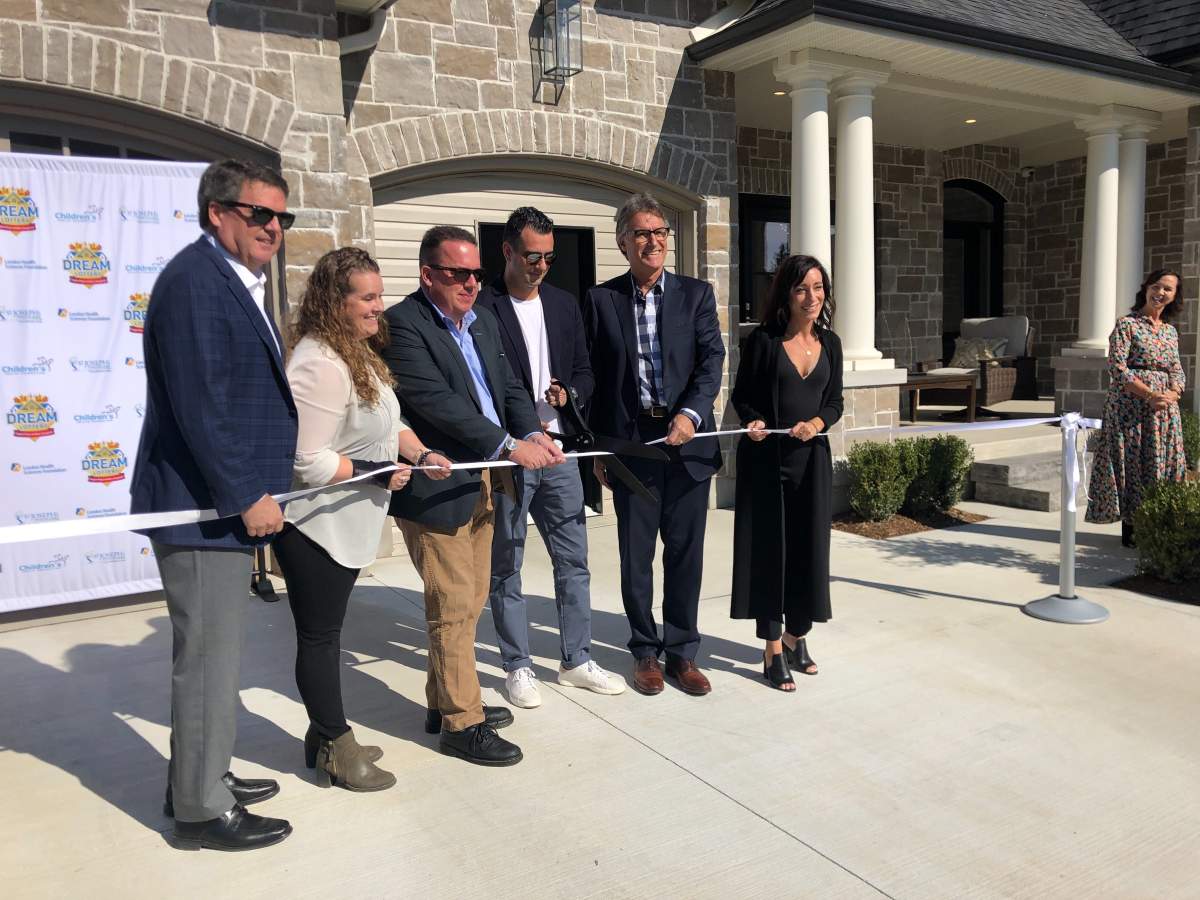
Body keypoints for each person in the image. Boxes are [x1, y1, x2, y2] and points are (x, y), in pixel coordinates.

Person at [129, 159, 297, 851]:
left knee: (214, 659)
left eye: (282, 217)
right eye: (259, 214)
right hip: (204, 509)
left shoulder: (227, 279)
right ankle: (200, 811)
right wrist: (245, 494)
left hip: (218, 506)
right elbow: (204, 407)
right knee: (209, 661)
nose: (274, 227)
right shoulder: (199, 283)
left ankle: (202, 774)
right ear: (216, 212)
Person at [381, 225, 566, 766]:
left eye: (475, 274)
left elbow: (508, 386)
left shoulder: (480, 321)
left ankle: (446, 700)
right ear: (427, 274)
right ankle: (463, 723)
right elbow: (435, 402)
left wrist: (532, 431)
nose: (469, 283)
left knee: (471, 596)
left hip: (485, 479)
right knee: (453, 601)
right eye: (457, 273)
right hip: (437, 486)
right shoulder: (402, 326)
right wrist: (508, 442)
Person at [273, 247, 453, 791]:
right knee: (321, 638)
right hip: (313, 524)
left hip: (345, 518)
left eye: (379, 295)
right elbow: (306, 459)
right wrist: (376, 472)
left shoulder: (357, 352)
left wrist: (420, 455)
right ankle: (336, 743)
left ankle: (321, 735)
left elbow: (389, 422)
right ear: (337, 301)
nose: (381, 306)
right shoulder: (319, 363)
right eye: (368, 297)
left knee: (327, 633)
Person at [476, 207, 625, 708]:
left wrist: (571, 396)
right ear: (507, 251)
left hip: (560, 452)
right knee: (507, 564)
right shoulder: (484, 308)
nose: (540, 265)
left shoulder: (563, 305)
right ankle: (517, 666)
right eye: (531, 256)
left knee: (573, 561)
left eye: (549, 257)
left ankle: (576, 659)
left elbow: (585, 369)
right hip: (512, 456)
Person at [583, 192, 725, 697]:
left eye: (659, 231)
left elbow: (712, 362)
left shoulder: (695, 295)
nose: (653, 241)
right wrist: (599, 448)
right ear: (623, 242)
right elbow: (595, 378)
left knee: (685, 553)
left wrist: (690, 414)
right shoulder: (602, 300)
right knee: (636, 554)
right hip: (632, 447)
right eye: (642, 233)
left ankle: (683, 651)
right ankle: (645, 649)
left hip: (687, 445)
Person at [729, 255, 843, 690]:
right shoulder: (764, 341)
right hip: (767, 464)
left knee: (806, 552)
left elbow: (834, 402)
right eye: (802, 289)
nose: (811, 297)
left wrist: (816, 424)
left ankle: (797, 636)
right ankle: (772, 647)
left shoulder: (831, 344)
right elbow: (743, 397)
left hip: (811, 464)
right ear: (787, 294)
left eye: (817, 288)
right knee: (769, 555)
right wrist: (754, 422)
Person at [1086, 269, 1188, 546]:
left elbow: (1176, 369)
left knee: (1160, 464)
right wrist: (1150, 394)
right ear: (1145, 289)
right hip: (1130, 408)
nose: (1161, 292)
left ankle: (1158, 524)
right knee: (1132, 465)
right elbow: (1117, 368)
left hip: (1163, 410)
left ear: (1175, 296)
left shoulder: (1170, 331)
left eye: (1168, 289)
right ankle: (1133, 531)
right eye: (1157, 286)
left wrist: (1173, 393)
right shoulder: (1127, 325)